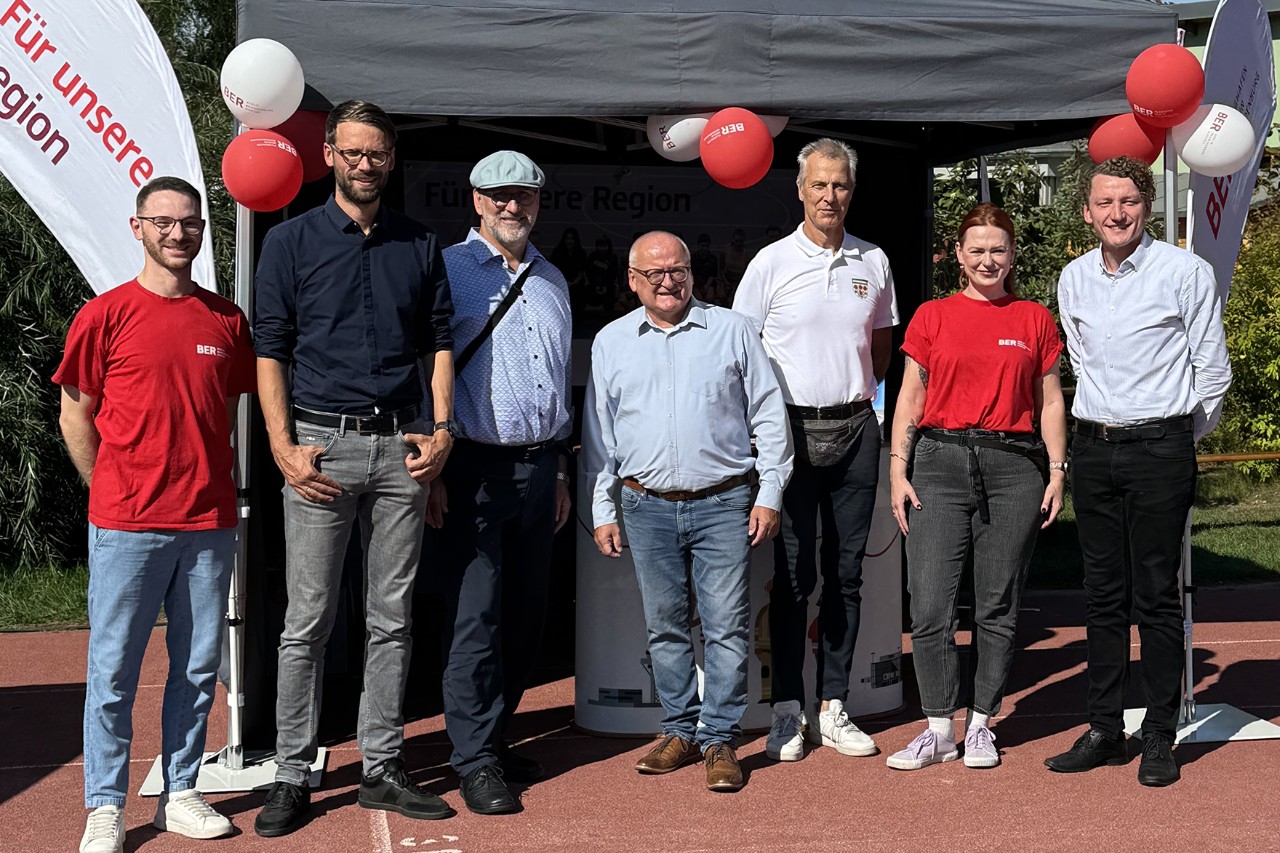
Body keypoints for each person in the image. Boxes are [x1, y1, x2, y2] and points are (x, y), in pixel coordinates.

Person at [252, 100, 458, 836]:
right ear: (330, 154)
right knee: (306, 620)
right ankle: (290, 771)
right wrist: (280, 444)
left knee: (391, 618)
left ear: (392, 159)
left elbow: (439, 342)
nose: (365, 165)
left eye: (378, 154)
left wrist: (441, 431)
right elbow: (269, 348)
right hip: (320, 449)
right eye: (352, 152)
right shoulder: (291, 242)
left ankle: (380, 765)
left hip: (402, 449)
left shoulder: (419, 242)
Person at [55, 176, 255, 853]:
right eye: (164, 221)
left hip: (207, 521)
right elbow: (75, 413)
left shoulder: (226, 320)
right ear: (137, 227)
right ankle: (105, 805)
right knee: (112, 669)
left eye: (189, 222)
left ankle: (181, 791)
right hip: (126, 524)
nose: (178, 233)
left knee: (198, 667)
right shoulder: (104, 315)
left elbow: (222, 414)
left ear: (202, 230)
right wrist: (106, 488)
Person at [1045, 156, 1231, 787]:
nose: (1116, 214)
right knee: (1101, 595)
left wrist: (1171, 436)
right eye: (1105, 203)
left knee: (1154, 595)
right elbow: (1082, 363)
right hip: (1094, 448)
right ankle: (1104, 729)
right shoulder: (1073, 279)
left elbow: (1213, 372)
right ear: (1087, 211)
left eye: (1128, 202)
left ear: (1147, 206)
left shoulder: (1184, 272)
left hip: (1160, 449)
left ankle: (1156, 735)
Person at [584, 231, 793, 793]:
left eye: (676, 270)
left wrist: (769, 492)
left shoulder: (732, 330)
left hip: (724, 502)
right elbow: (600, 437)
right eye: (653, 274)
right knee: (665, 627)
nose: (667, 282)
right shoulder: (611, 341)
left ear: (692, 274)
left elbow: (769, 416)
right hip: (645, 507)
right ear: (633, 281)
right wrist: (603, 507)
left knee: (726, 628)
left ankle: (720, 738)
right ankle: (680, 730)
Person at [733, 137, 899, 762]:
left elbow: (879, 353)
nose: (831, 196)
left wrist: (855, 399)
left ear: (852, 192)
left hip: (857, 431)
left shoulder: (874, 261)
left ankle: (834, 706)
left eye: (842, 185)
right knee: (793, 578)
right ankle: (786, 712)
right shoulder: (770, 264)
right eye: (819, 185)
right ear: (800, 190)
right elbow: (742, 357)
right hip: (789, 439)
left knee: (846, 577)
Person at [885, 203, 1067, 771]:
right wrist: (898, 467)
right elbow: (910, 399)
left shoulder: (1034, 318)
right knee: (932, 600)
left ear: (1012, 254)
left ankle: (982, 723)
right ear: (959, 256)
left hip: (1014, 465)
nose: (989, 259)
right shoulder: (931, 316)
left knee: (997, 603)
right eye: (978, 249)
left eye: (999, 249)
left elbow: (1052, 400)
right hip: (938, 461)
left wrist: (1058, 470)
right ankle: (938, 728)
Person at [432, 150, 573, 815]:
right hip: (473, 468)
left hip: (542, 466)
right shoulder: (449, 271)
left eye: (525, 195)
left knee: (525, 617)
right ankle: (475, 758)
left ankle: (494, 732)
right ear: (477, 199)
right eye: (500, 195)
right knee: (476, 616)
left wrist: (564, 467)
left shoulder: (552, 279)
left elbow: (555, 383)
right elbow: (420, 372)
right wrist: (432, 468)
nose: (513, 206)